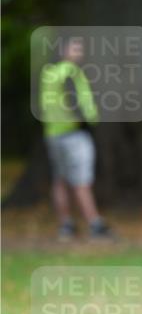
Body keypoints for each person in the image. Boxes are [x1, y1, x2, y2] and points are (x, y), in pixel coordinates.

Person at [40, 37, 111, 241]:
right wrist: (87, 121)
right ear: (64, 50)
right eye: (75, 47)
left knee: (60, 180)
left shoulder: (49, 73)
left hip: (53, 132)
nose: (80, 52)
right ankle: (94, 223)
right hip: (74, 133)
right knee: (82, 180)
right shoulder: (71, 71)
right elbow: (74, 99)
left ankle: (66, 224)